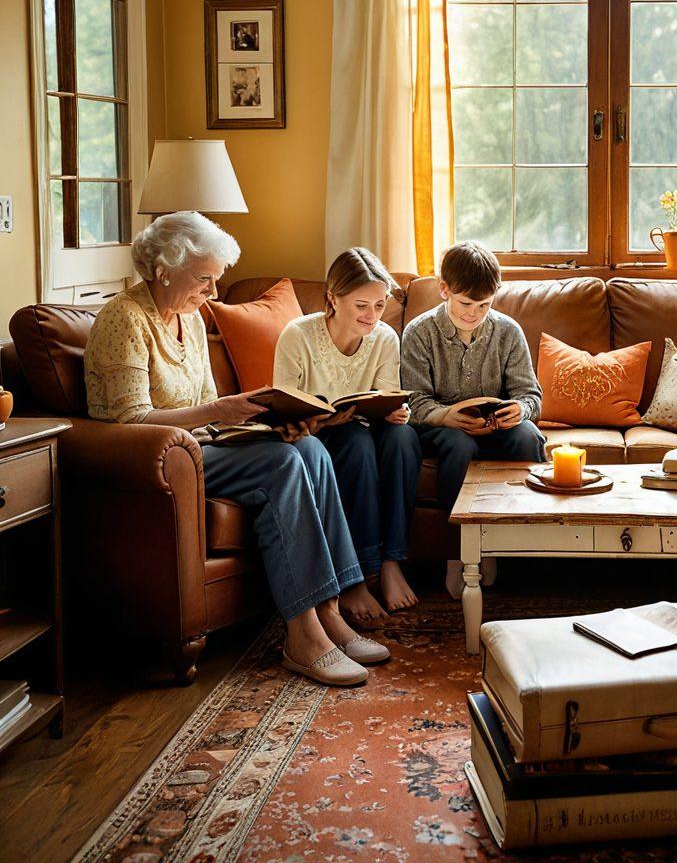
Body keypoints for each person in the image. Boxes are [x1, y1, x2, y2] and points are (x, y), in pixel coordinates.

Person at [84, 212, 389, 687]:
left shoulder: (189, 314)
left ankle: (331, 613)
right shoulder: (123, 317)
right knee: (285, 464)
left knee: (310, 450)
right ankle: (303, 636)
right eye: (203, 279)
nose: (211, 292)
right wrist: (219, 413)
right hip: (157, 457)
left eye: (215, 280)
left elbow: (207, 405)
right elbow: (131, 420)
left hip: (204, 444)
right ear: (165, 268)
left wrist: (267, 421)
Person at [273, 248, 422, 622]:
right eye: (361, 306)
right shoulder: (298, 336)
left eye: (379, 305)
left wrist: (396, 412)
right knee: (355, 443)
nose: (372, 316)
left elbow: (385, 397)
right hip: (318, 436)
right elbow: (282, 407)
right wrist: (314, 420)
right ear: (332, 298)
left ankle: (391, 562)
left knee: (404, 439)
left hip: (364, 427)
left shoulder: (385, 338)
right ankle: (357, 577)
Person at [401, 242, 546, 594]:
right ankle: (459, 553)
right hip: (442, 431)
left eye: (484, 305)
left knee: (527, 435)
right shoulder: (419, 333)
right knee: (458, 443)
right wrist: (447, 416)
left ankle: (523, 547)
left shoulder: (507, 331)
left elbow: (531, 396)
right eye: (466, 303)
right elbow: (413, 403)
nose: (474, 313)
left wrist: (520, 410)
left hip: (496, 428)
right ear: (444, 289)